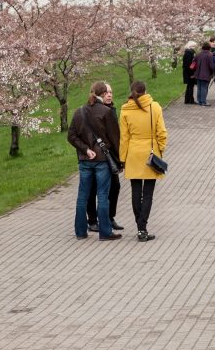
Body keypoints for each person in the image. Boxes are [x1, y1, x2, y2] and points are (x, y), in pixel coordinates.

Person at [67, 81, 122, 240]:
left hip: (85, 160)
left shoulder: (79, 112)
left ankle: (80, 231)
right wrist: (120, 160)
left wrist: (85, 149)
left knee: (82, 196)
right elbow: (115, 139)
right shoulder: (106, 112)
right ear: (103, 94)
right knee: (103, 195)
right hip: (102, 160)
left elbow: (71, 136)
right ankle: (105, 232)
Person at [119, 81, 167, 242]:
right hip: (150, 152)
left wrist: (122, 158)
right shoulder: (155, 107)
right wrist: (161, 149)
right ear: (145, 91)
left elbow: (124, 138)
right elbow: (161, 132)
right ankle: (142, 227)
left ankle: (140, 227)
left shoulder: (125, 110)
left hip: (133, 152)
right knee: (148, 194)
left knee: (135, 191)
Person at [85, 83, 123, 231]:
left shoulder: (111, 110)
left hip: (109, 156)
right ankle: (93, 220)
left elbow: (115, 136)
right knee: (93, 189)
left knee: (115, 187)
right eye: (106, 92)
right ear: (99, 94)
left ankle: (109, 217)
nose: (109, 95)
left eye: (111, 92)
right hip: (96, 156)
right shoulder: (89, 110)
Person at [192, 42, 215, 106]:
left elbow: (193, 62)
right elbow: (211, 66)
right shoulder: (210, 55)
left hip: (198, 73)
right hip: (206, 74)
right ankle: (203, 101)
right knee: (204, 88)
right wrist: (214, 69)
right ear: (209, 48)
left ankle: (199, 101)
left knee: (199, 88)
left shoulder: (198, 54)